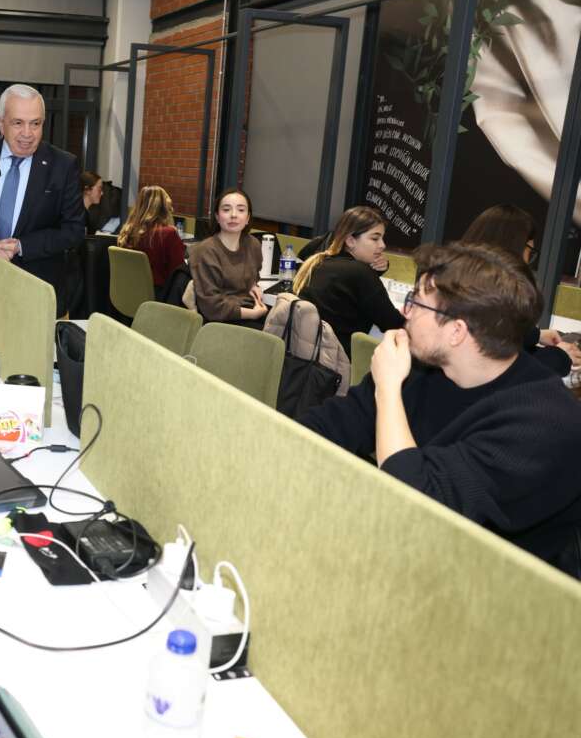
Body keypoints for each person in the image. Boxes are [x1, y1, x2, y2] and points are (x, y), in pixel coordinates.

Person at [300, 243, 581, 577]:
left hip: (497, 589)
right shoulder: (423, 366)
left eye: (415, 302)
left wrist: (388, 388)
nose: (404, 312)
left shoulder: (543, 422)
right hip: (409, 557)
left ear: (456, 331)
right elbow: (336, 423)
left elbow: (418, 505)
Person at [0, 83, 85, 317]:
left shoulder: (63, 166)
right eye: (18, 123)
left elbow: (74, 230)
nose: (27, 133)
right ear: (1, 124)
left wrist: (22, 246)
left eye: (35, 123)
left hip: (37, 295)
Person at [461, 203, 581, 372]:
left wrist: (536, 335)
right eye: (529, 252)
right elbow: (506, 367)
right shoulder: (489, 296)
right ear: (513, 247)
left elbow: (500, 334)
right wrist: (560, 357)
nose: (527, 262)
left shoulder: (460, 281)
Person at [292, 206, 405, 356]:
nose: (382, 245)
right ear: (351, 241)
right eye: (375, 238)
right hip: (340, 361)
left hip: (308, 356)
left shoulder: (319, 263)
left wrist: (374, 272)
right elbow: (393, 323)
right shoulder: (360, 273)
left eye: (382, 239)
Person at [187, 188, 266, 327]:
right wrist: (253, 314)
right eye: (226, 209)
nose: (233, 215)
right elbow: (212, 307)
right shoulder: (205, 251)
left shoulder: (253, 244)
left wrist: (253, 285)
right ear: (217, 216)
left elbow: (254, 274)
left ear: (248, 218)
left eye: (241, 210)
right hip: (218, 322)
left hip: (247, 308)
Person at [116, 185, 187, 300]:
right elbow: (179, 271)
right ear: (164, 209)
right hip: (158, 296)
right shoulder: (168, 234)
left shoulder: (128, 232)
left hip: (127, 294)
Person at [81, 171, 104, 235]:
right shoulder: (80, 215)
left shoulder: (84, 213)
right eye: (99, 189)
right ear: (88, 190)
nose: (102, 193)